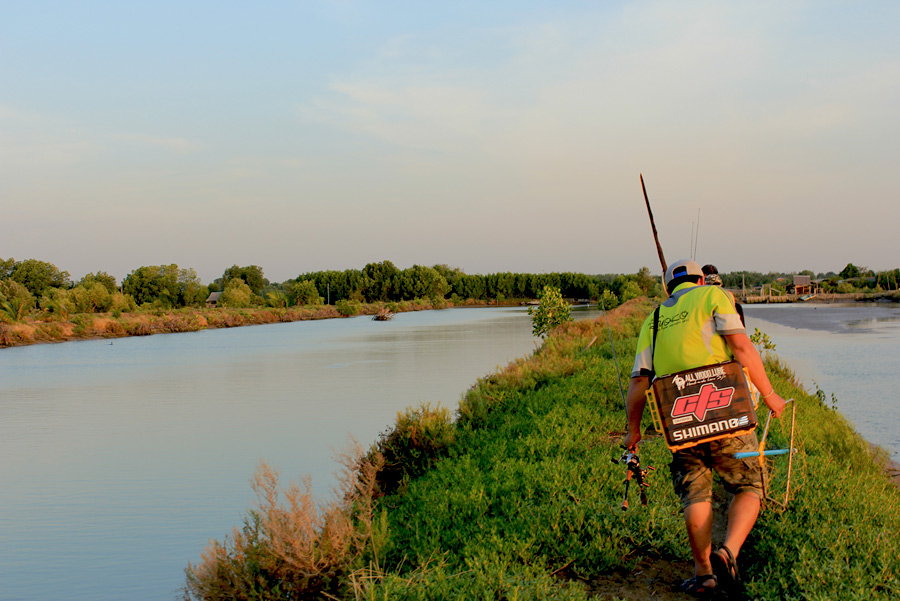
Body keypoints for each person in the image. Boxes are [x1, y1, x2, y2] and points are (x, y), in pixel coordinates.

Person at [623, 259, 785, 598]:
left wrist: (632, 431)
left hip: (680, 421)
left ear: (668, 288)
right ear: (700, 281)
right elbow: (741, 346)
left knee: (695, 493)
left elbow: (639, 382)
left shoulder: (652, 319)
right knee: (749, 485)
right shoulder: (714, 296)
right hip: (729, 412)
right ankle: (728, 553)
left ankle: (704, 575)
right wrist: (770, 395)